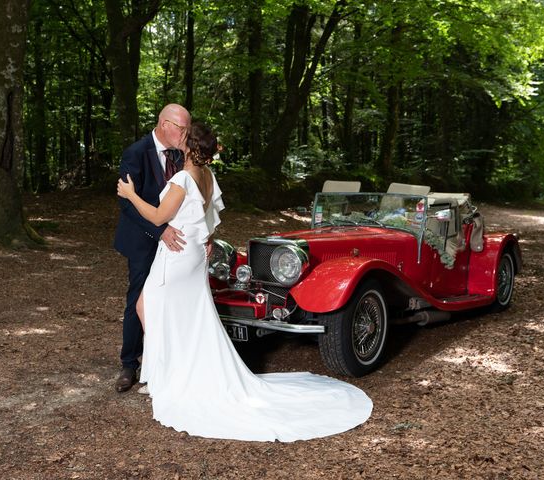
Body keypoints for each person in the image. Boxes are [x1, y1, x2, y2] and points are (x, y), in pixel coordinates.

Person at [116, 122, 372, 442]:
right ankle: (165, 372)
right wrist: (206, 240)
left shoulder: (183, 178)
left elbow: (156, 217)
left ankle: (168, 376)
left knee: (150, 305)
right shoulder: (208, 177)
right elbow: (209, 220)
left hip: (177, 258)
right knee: (178, 313)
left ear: (190, 147)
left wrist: (129, 194)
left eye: (184, 137)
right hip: (194, 253)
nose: (179, 139)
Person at [113, 103, 191, 393]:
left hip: (178, 240)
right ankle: (129, 364)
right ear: (164, 124)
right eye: (181, 128)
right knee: (139, 298)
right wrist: (160, 231)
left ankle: (167, 359)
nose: (184, 134)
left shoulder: (186, 155)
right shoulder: (136, 152)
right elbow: (125, 203)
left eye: (187, 129)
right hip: (144, 238)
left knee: (172, 297)